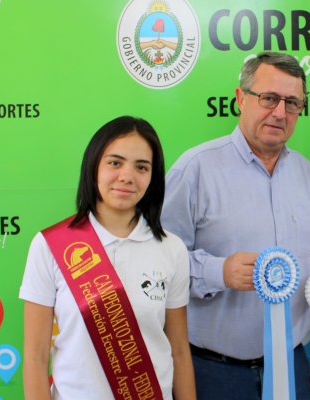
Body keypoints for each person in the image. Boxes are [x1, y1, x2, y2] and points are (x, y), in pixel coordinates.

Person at [161, 52, 310, 400]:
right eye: (269, 98)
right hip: (212, 371)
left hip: (292, 366)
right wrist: (218, 271)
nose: (280, 112)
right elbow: (159, 260)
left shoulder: (309, 177)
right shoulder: (195, 169)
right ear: (241, 98)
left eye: (292, 103)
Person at [20, 116, 196, 400]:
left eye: (142, 167)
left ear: (153, 177)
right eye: (115, 162)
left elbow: (178, 351)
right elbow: (35, 358)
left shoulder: (171, 248)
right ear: (94, 167)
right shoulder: (50, 245)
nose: (127, 176)